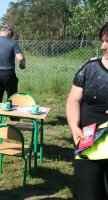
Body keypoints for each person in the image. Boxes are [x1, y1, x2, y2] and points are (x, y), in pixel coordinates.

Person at [66, 22, 108, 200]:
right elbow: (73, 100)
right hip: (87, 143)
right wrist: (74, 127)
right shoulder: (89, 69)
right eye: (103, 41)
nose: (103, 46)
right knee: (89, 194)